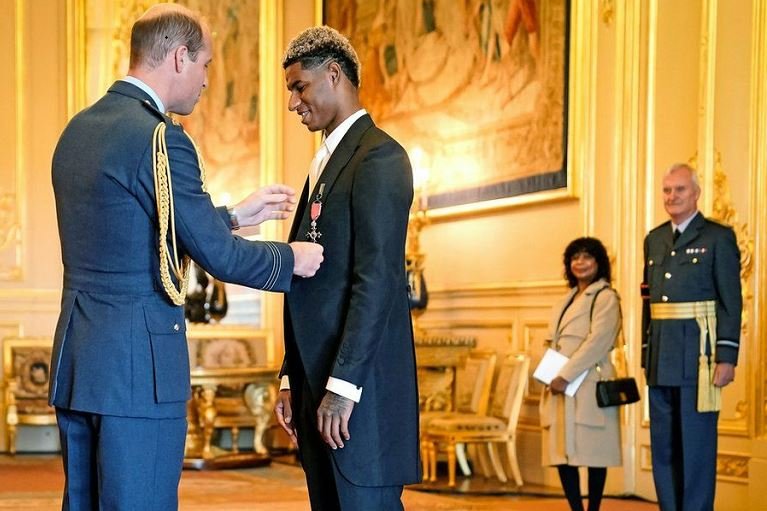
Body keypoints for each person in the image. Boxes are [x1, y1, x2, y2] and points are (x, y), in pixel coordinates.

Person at [49, 4, 323, 510]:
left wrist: (234, 215)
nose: (204, 80)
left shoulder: (77, 132)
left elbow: (133, 233)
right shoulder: (160, 138)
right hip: (140, 373)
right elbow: (220, 259)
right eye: (206, 64)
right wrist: (294, 259)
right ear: (179, 57)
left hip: (80, 363)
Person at [274, 26, 421, 510]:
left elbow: (376, 281)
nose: (294, 103)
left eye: (299, 87)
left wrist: (341, 388)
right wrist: (290, 377)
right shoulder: (325, 162)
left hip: (357, 396)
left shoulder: (379, 156)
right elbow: (308, 283)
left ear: (333, 74)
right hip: (316, 387)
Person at [642, 163, 741, 511]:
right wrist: (645, 353)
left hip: (699, 357)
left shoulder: (717, 237)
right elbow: (647, 302)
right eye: (667, 190)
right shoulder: (654, 239)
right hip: (661, 358)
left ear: (696, 193)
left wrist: (726, 356)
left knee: (696, 447)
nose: (672, 197)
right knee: (664, 447)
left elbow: (731, 300)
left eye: (680, 190)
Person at [540, 237, 622, 511]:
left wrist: (567, 375)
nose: (580, 262)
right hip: (559, 386)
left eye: (587, 257)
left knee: (594, 452)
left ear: (598, 262)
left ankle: (593, 508)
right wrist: (549, 374)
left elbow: (597, 342)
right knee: (562, 453)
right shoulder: (566, 299)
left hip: (588, 381)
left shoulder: (605, 296)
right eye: (575, 257)